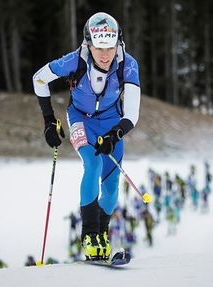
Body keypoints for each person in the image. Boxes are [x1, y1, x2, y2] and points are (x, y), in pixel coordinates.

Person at [32, 12, 141, 261]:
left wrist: (115, 135)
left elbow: (132, 114)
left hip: (113, 122)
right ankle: (89, 233)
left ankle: (101, 233)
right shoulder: (74, 61)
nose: (105, 55)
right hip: (81, 119)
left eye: (111, 47)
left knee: (112, 183)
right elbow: (38, 78)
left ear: (118, 44)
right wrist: (48, 120)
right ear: (88, 44)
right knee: (92, 163)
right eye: (99, 47)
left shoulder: (128, 64)